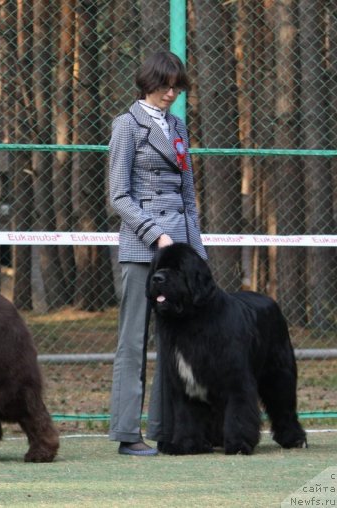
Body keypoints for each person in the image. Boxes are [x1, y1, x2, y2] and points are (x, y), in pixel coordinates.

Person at [107, 51, 207, 456]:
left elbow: (188, 197)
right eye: (165, 85)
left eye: (176, 87)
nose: (171, 93)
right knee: (133, 340)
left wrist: (195, 253)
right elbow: (119, 196)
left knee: (176, 339)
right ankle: (128, 432)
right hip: (141, 247)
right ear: (148, 83)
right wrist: (155, 234)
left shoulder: (179, 127)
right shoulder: (126, 126)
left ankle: (167, 430)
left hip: (179, 252)